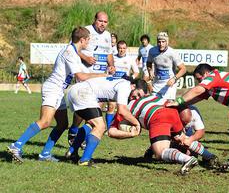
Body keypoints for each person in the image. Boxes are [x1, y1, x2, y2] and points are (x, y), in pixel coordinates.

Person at [7, 26, 107, 163]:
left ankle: (45, 154)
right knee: (45, 122)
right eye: (88, 39)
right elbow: (80, 76)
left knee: (62, 124)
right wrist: (103, 75)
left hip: (59, 91)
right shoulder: (70, 53)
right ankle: (16, 146)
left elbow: (79, 77)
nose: (89, 42)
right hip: (53, 89)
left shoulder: (74, 52)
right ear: (82, 40)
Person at [108, 95, 216, 175]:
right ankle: (209, 156)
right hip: (172, 111)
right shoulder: (147, 97)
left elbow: (111, 132)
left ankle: (187, 159)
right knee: (182, 139)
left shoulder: (123, 110)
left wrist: (130, 134)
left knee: (160, 152)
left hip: (158, 116)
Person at [66, 78, 146, 166]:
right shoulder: (125, 87)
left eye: (139, 97)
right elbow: (122, 111)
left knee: (91, 124)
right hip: (83, 92)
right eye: (138, 94)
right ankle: (84, 160)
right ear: (133, 86)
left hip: (77, 91)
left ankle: (72, 152)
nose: (137, 97)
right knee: (100, 126)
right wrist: (136, 123)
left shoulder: (123, 84)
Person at [68, 11, 116, 145]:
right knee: (83, 106)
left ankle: (82, 136)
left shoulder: (107, 36)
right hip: (85, 74)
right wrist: (85, 58)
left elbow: (109, 54)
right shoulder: (85, 31)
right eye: (100, 21)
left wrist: (111, 65)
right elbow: (73, 49)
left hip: (99, 76)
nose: (103, 24)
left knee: (96, 107)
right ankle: (74, 129)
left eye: (105, 22)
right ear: (95, 20)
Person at [105, 40, 140, 130]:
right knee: (111, 106)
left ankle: (118, 125)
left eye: (124, 48)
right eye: (120, 48)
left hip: (124, 87)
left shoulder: (130, 59)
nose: (122, 50)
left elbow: (136, 72)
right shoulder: (113, 58)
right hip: (112, 85)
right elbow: (107, 70)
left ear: (126, 49)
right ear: (117, 48)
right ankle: (109, 128)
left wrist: (130, 78)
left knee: (122, 108)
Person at [147, 32, 186, 100]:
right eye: (159, 42)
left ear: (167, 42)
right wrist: (150, 72)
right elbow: (149, 62)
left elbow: (183, 69)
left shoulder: (172, 53)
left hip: (169, 86)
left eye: (163, 42)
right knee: (155, 106)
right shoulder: (152, 51)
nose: (161, 44)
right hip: (156, 84)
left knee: (167, 107)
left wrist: (174, 79)